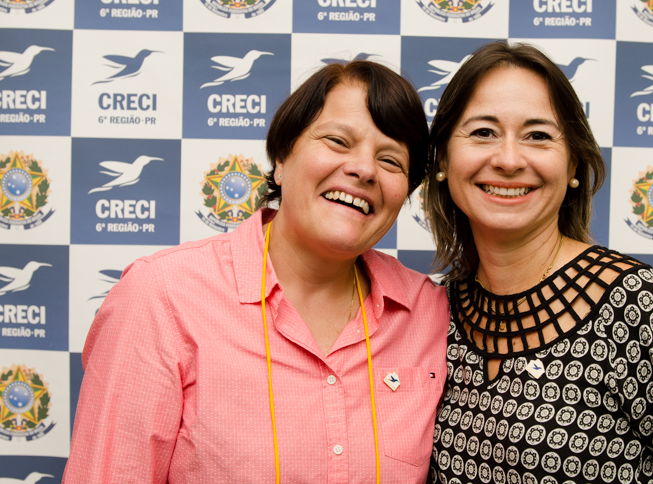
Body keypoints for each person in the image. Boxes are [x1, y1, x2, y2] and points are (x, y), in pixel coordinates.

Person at [63, 61, 449, 483]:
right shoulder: (161, 296)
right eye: (338, 141)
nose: (365, 169)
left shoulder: (428, 311)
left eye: (390, 160)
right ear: (281, 159)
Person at [425, 42, 653, 484]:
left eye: (538, 135)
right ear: (444, 159)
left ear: (573, 165)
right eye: (483, 132)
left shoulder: (639, 307)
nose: (508, 159)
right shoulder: (434, 315)